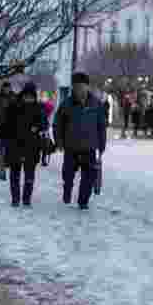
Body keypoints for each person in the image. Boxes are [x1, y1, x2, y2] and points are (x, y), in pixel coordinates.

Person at [53, 72, 106, 210]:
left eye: (82, 87)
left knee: (89, 177)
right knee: (68, 174)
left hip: (89, 147)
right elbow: (57, 124)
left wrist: (102, 144)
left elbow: (101, 126)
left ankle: (83, 201)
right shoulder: (66, 104)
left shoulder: (96, 104)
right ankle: (67, 189)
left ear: (87, 87)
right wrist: (59, 142)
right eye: (76, 87)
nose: (79, 90)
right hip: (71, 147)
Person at [2, 83, 47, 207]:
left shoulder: (38, 108)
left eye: (31, 96)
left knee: (29, 175)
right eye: (27, 96)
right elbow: (6, 125)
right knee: (15, 174)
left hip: (32, 146)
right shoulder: (14, 107)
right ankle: (15, 199)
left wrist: (37, 127)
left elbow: (44, 124)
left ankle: (26, 199)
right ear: (23, 95)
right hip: (15, 145)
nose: (29, 99)